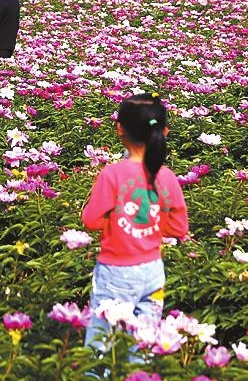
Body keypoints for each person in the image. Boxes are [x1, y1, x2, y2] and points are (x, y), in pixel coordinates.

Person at [82, 94, 188, 352]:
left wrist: (118, 220)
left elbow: (91, 221)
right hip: (152, 271)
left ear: (119, 128)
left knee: (101, 342)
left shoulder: (113, 174)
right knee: (143, 343)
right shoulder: (167, 176)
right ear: (164, 131)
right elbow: (179, 228)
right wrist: (153, 222)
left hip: (115, 271)